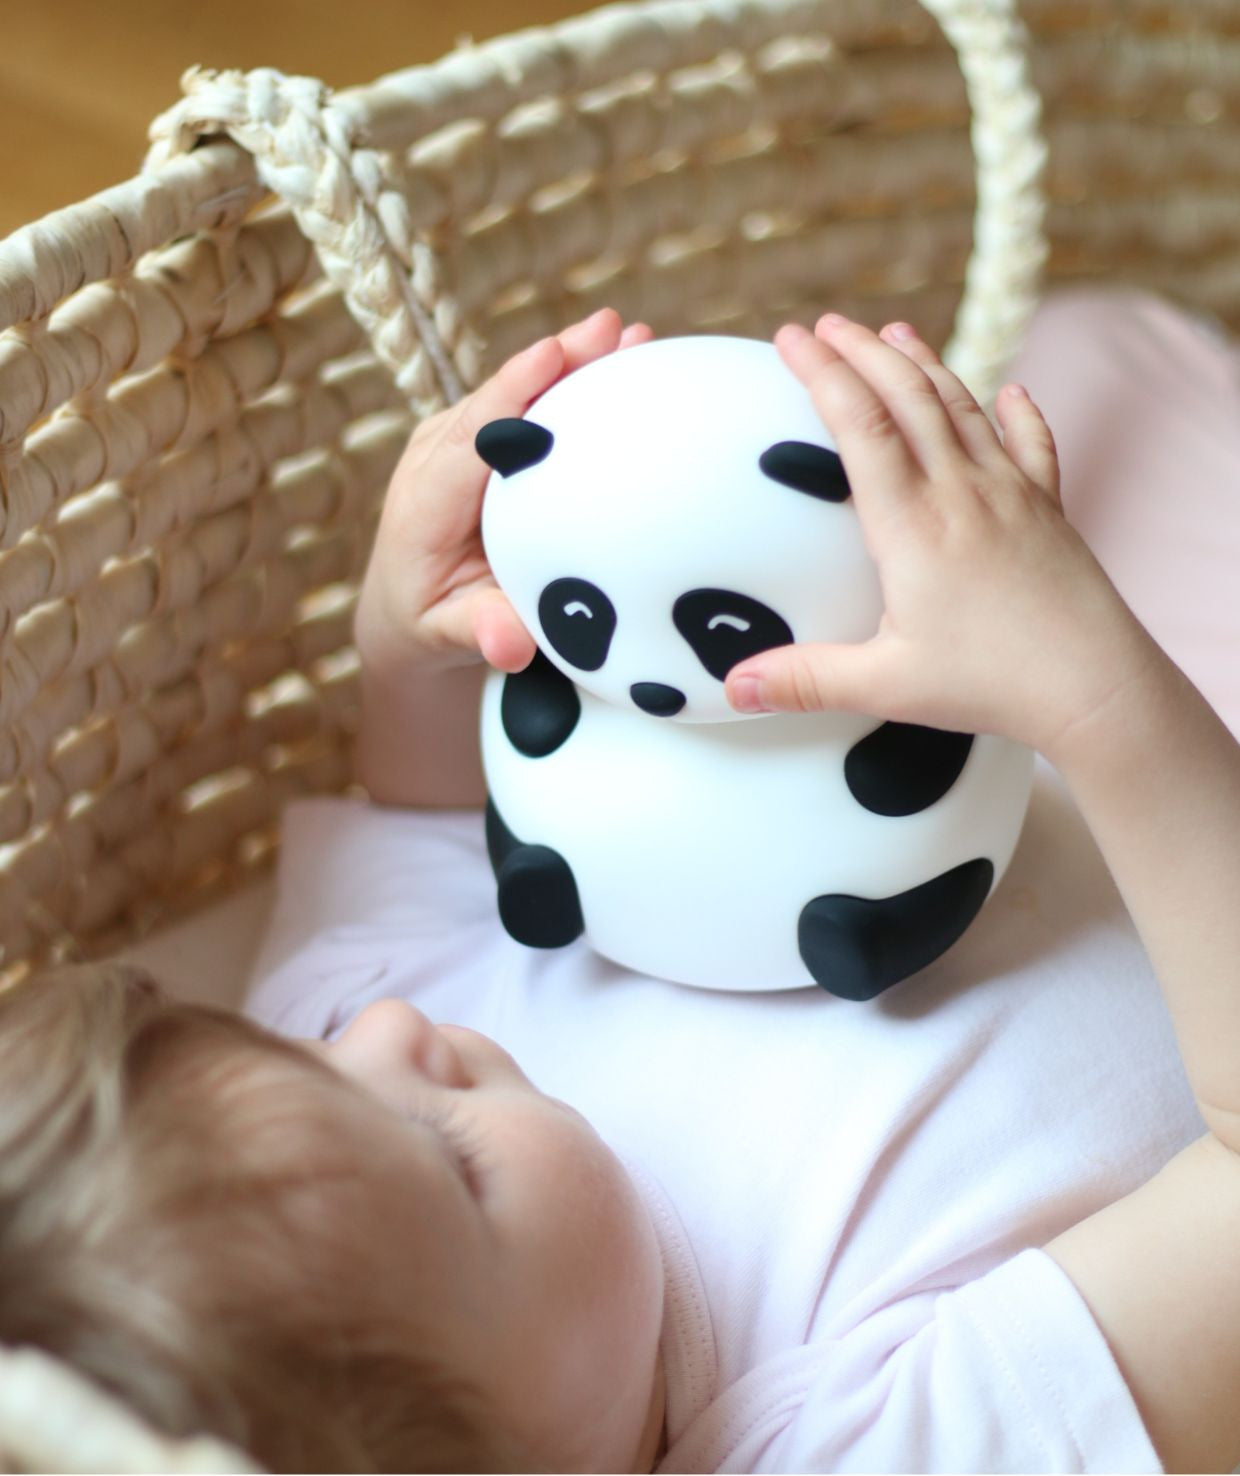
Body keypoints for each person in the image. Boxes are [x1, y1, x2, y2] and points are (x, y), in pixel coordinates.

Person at [1, 299, 1237, 1473]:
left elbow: (419, 812)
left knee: (1087, 348)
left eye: (311, 1061)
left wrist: (420, 621)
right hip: (1174, 789)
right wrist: (1087, 687)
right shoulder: (840, 1442)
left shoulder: (343, 1037)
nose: (387, 1034)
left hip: (975, 715)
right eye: (448, 1163)